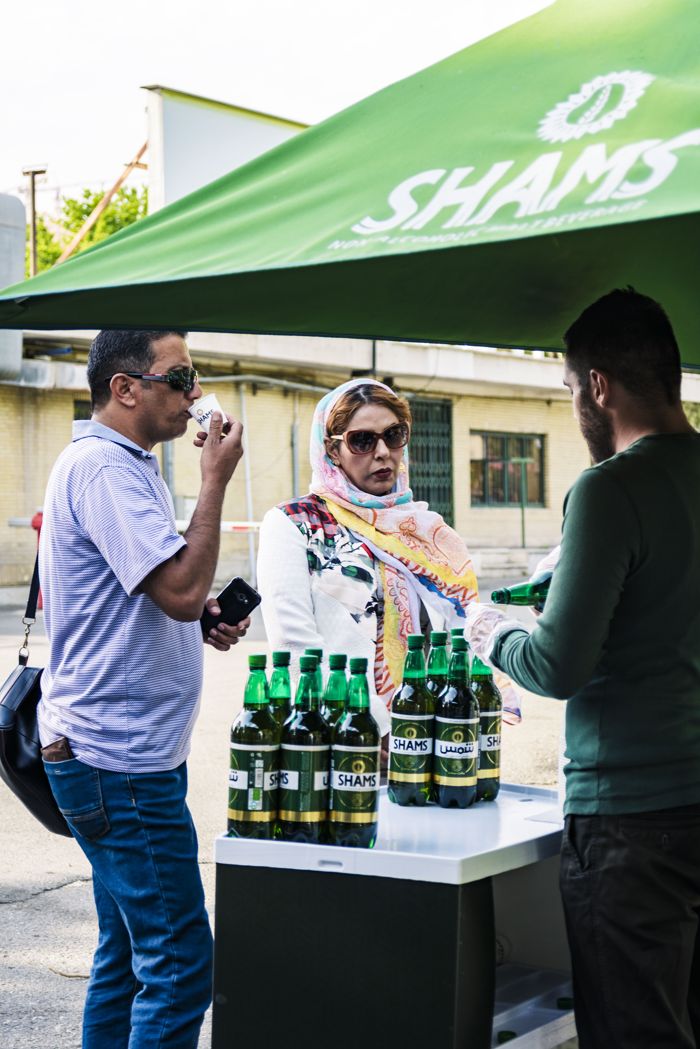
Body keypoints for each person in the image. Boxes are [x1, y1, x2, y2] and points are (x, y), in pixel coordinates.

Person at [466, 288, 700, 1049]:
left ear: (597, 385)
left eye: (570, 390)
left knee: (635, 1032)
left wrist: (492, 631)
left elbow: (556, 665)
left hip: (631, 820)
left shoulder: (610, 488)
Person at [38, 330, 248, 1049]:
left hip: (120, 755)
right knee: (181, 963)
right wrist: (214, 481)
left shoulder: (126, 465)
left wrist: (201, 616)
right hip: (119, 762)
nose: (195, 392)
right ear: (125, 388)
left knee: (129, 953)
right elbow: (181, 590)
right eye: (180, 377)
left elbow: (158, 594)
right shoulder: (105, 468)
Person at [257, 377, 521, 739]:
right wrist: (374, 729)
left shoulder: (424, 531)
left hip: (431, 733)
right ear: (332, 450)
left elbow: (457, 635)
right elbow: (295, 647)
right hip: (341, 735)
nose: (382, 452)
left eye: (394, 435)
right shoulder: (295, 524)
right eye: (362, 440)